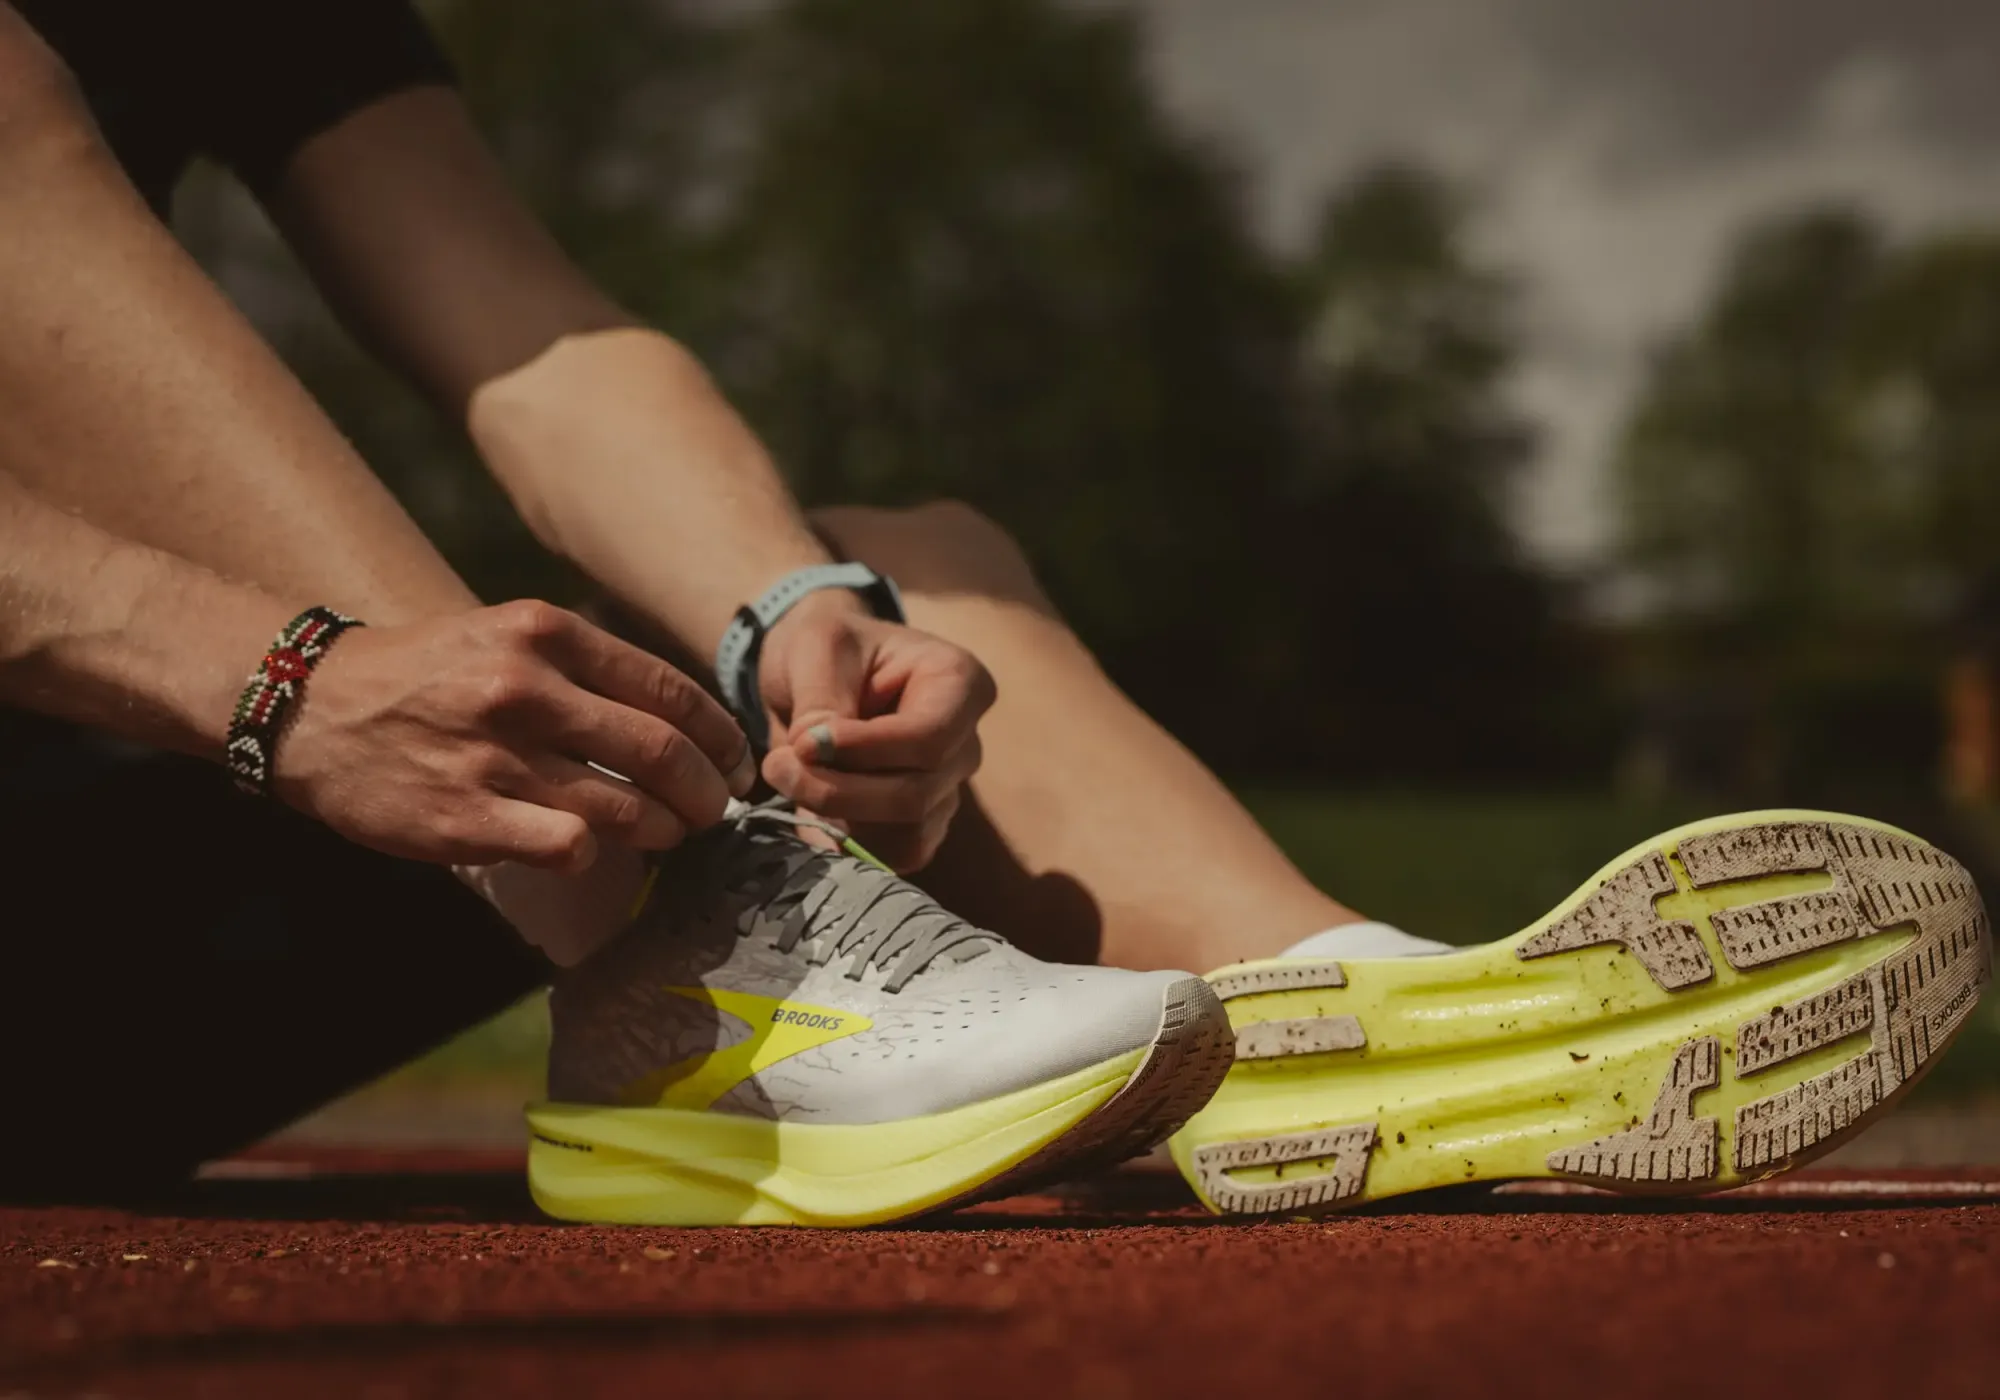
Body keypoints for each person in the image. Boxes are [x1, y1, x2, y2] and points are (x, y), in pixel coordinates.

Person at [2, 0, 1986, 1223]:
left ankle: (1316, 1002)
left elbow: (543, 348)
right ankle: (678, 964)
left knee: (905, 536)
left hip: (171, 900)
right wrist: (284, 687)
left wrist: (798, 615)